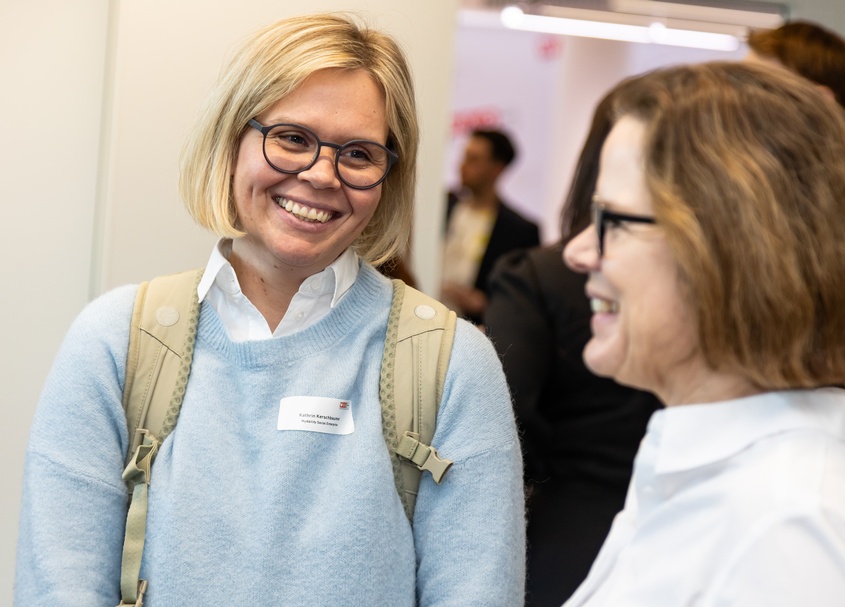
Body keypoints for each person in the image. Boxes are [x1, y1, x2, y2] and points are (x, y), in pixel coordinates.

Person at [14, 13, 525, 606]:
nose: (321, 174)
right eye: (292, 138)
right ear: (231, 139)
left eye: (359, 153)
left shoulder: (451, 365)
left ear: (388, 175)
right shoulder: (116, 343)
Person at [562, 61, 845, 605]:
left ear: (733, 253)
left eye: (613, 219)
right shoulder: (728, 485)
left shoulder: (790, 528)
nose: (577, 250)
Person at [484, 84, 661, 607]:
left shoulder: (789, 511)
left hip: (564, 540)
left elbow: (507, 423)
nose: (582, 255)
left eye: (618, 217)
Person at [747, 19, 845, 493]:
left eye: (759, 89)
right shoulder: (749, 219)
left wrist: (840, 502)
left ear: (819, 102)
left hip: (808, 503)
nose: (736, 104)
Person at [441, 128, 540, 324]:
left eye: (474, 159)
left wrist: (484, 303)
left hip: (474, 329)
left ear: (497, 168)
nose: (462, 165)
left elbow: (524, 301)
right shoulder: (441, 207)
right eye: (465, 156)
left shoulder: (520, 231)